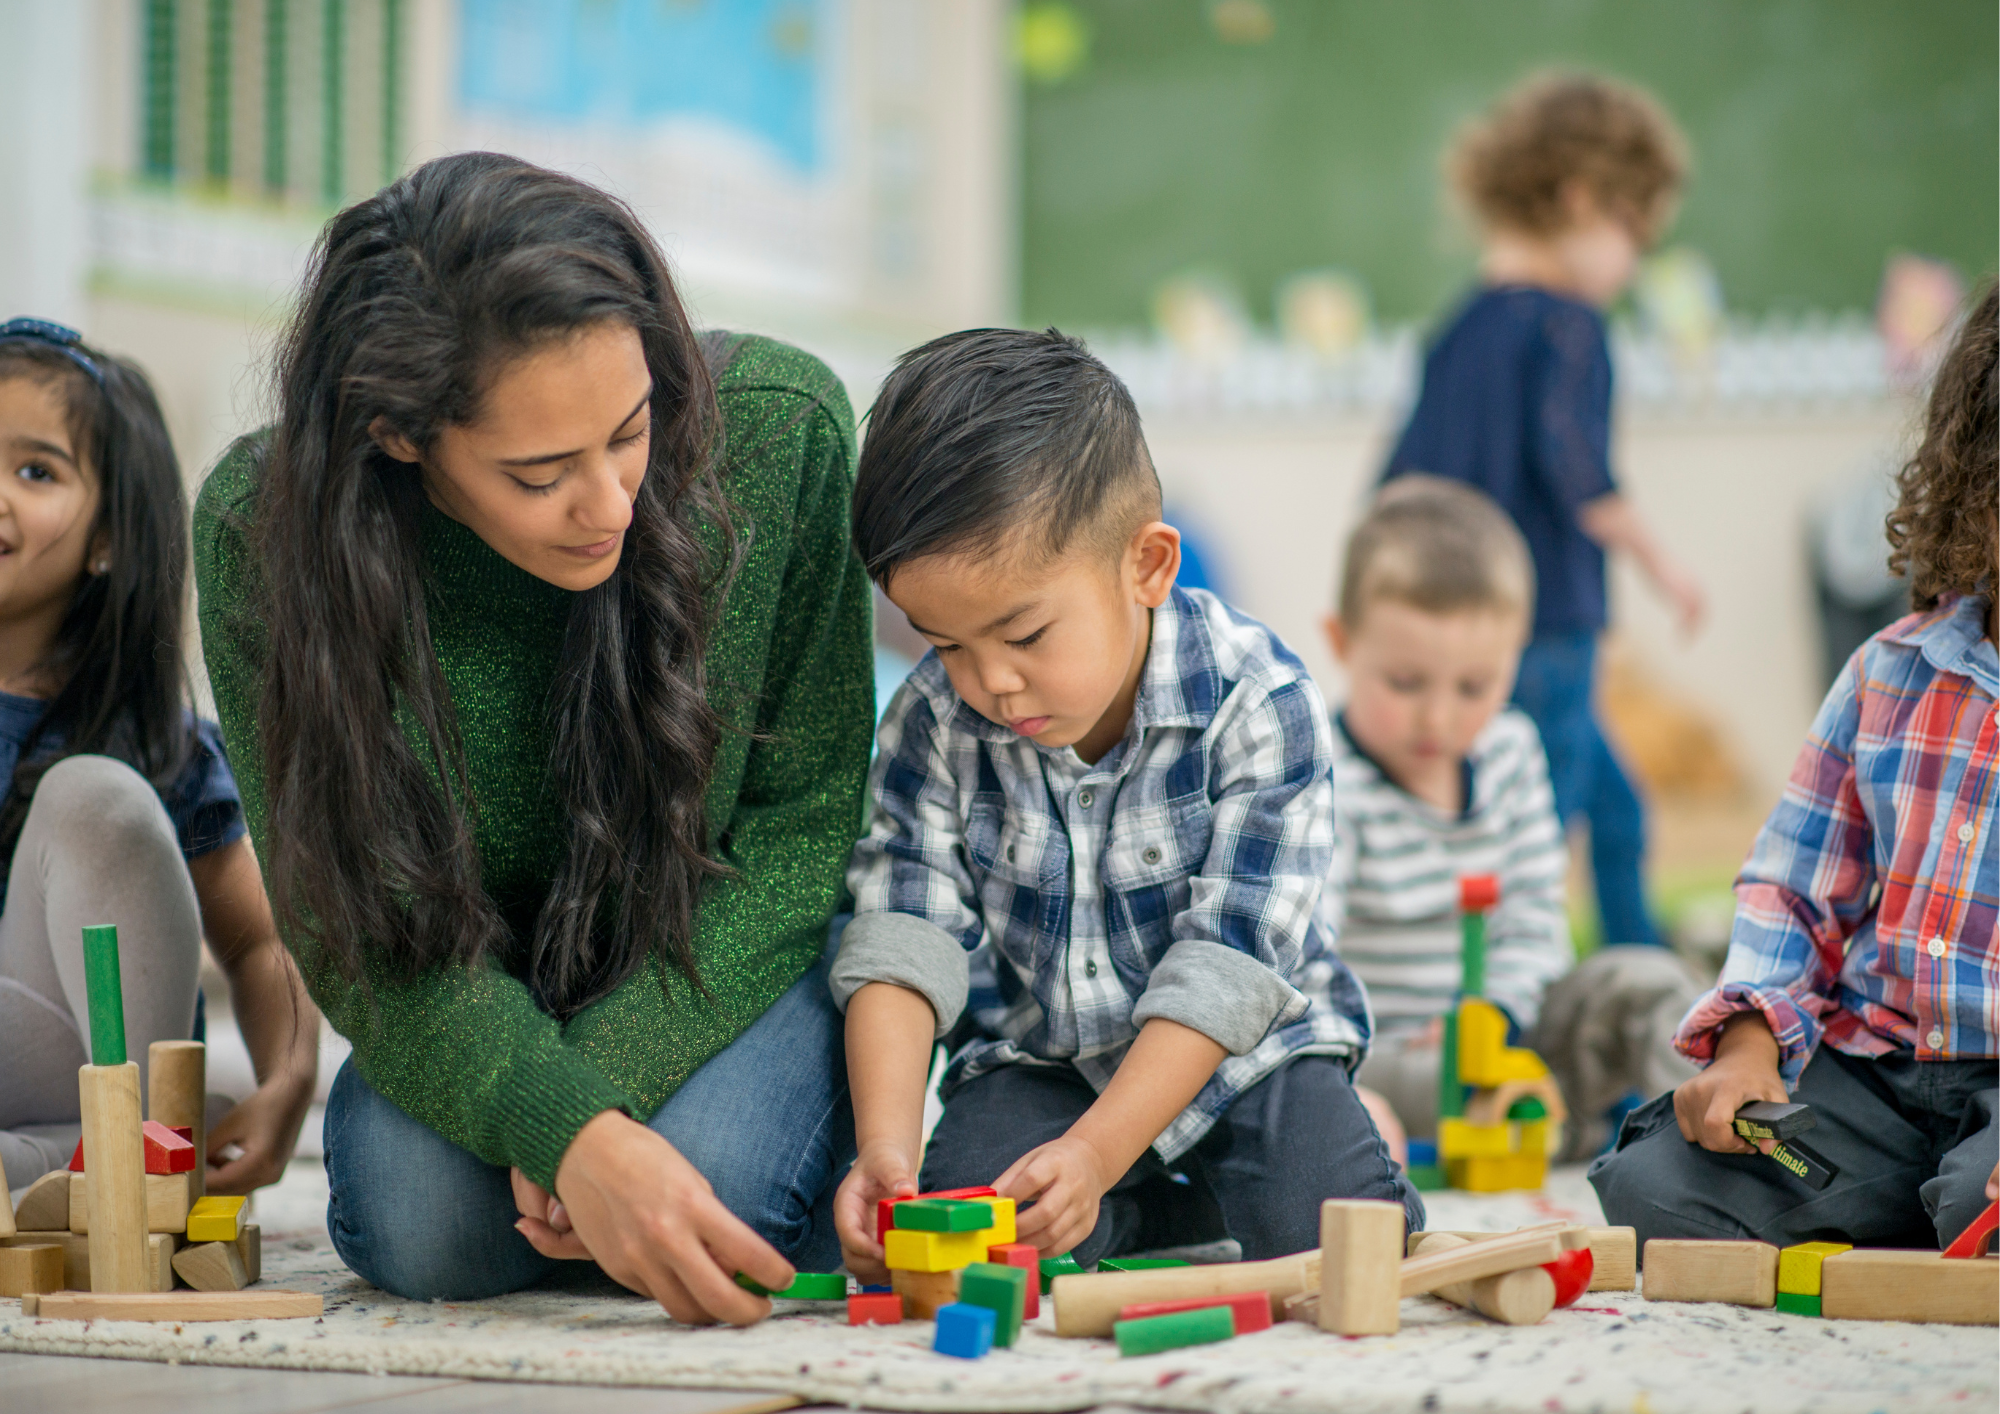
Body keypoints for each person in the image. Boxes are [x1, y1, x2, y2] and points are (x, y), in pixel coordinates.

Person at [192, 153, 874, 1322]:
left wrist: (577, 1114)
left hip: (722, 957)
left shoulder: (780, 433)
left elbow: (801, 836)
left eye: (631, 430)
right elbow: (354, 930)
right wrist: (569, 1129)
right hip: (470, 987)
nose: (610, 502)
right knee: (428, 1231)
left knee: (720, 1190)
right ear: (399, 437)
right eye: (541, 472)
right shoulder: (266, 537)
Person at [828, 327, 1415, 1282]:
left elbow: (1229, 966)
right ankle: (1152, 1219)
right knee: (974, 1240)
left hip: (1244, 1058)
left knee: (1337, 1238)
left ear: (1146, 566)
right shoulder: (933, 721)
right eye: (947, 645)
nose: (992, 685)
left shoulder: (1259, 700)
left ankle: (1161, 1188)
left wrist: (1101, 1155)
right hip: (1042, 1064)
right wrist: (884, 1146)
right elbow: (904, 930)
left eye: (1022, 634)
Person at [1591, 285, 1998, 1249]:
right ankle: (1935, 1207)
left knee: (1978, 1196)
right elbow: (1793, 894)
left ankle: (1944, 1204)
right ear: (1980, 483)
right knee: (1657, 1187)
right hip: (1878, 1075)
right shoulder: (1890, 673)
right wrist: (1747, 1050)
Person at [1383, 72, 1705, 952]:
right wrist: (1669, 571)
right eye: (1632, 232)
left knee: (1614, 807)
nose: (1633, 264)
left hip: (1469, 638)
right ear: (1581, 198)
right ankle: (1525, 1004)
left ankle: (1637, 964)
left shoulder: (1455, 330)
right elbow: (1582, 474)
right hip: (1550, 631)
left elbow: (1397, 489)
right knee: (1542, 830)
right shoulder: (1569, 326)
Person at [0, 318, 318, 1194]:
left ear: (108, 539)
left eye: (35, 471)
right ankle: (59, 1168)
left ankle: (127, 1150)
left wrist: (289, 1082)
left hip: (81, 1067)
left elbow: (258, 942)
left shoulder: (154, 740)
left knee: (98, 797)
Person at [1322, 476, 1699, 1159]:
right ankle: (1544, 1129)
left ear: (1515, 658)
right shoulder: (1322, 771)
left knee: (1650, 983)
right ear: (1342, 642)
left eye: (1473, 687)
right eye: (1404, 684)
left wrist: (1492, 1016)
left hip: (1511, 1031)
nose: (1438, 717)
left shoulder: (1511, 750)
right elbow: (1305, 945)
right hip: (1386, 1054)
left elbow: (1535, 919)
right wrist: (1416, 1041)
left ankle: (1697, 1152)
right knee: (1339, 1084)